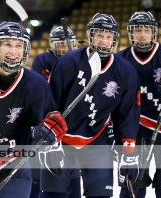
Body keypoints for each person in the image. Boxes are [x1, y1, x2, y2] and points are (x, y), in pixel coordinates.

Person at [38, 13, 141, 198]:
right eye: (99, 35)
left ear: (114, 40)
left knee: (100, 194)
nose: (103, 41)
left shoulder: (125, 72)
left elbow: (127, 114)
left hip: (97, 140)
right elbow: (50, 103)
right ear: (91, 36)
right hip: (62, 139)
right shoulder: (67, 63)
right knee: (53, 194)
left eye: (108, 37)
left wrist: (128, 152)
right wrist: (50, 143)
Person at [0, 21, 68, 198]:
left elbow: (33, 132)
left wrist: (45, 136)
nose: (13, 51)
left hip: (11, 162)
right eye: (7, 44)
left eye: (19, 46)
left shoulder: (36, 85)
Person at [30, 25, 81, 198]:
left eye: (68, 44)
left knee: (73, 175)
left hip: (73, 126)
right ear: (53, 45)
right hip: (49, 124)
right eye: (61, 44)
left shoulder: (81, 59)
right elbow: (42, 88)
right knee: (46, 175)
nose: (65, 48)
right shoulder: (42, 60)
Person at [117, 11, 161, 198]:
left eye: (146, 30)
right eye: (137, 30)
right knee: (133, 180)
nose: (142, 34)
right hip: (134, 128)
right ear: (130, 33)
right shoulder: (120, 60)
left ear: (154, 33)